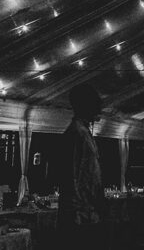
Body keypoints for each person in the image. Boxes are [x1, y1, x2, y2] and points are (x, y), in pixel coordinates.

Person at [57, 83, 107, 248]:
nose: (99, 106)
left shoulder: (84, 132)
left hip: (87, 211)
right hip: (79, 215)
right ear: (85, 104)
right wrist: (81, 211)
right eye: (95, 102)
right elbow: (73, 177)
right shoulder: (76, 134)